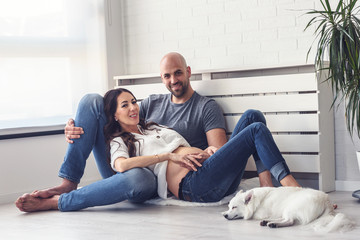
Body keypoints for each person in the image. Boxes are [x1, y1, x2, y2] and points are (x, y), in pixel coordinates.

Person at [15, 88, 300, 212]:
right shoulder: (119, 141)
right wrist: (170, 156)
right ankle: (294, 192)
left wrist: (208, 152)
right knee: (256, 131)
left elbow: (189, 147)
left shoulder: (153, 127)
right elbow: (122, 166)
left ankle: (267, 188)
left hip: (207, 171)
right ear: (114, 114)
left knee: (252, 116)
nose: (132, 107)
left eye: (133, 102)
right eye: (124, 105)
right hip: (194, 185)